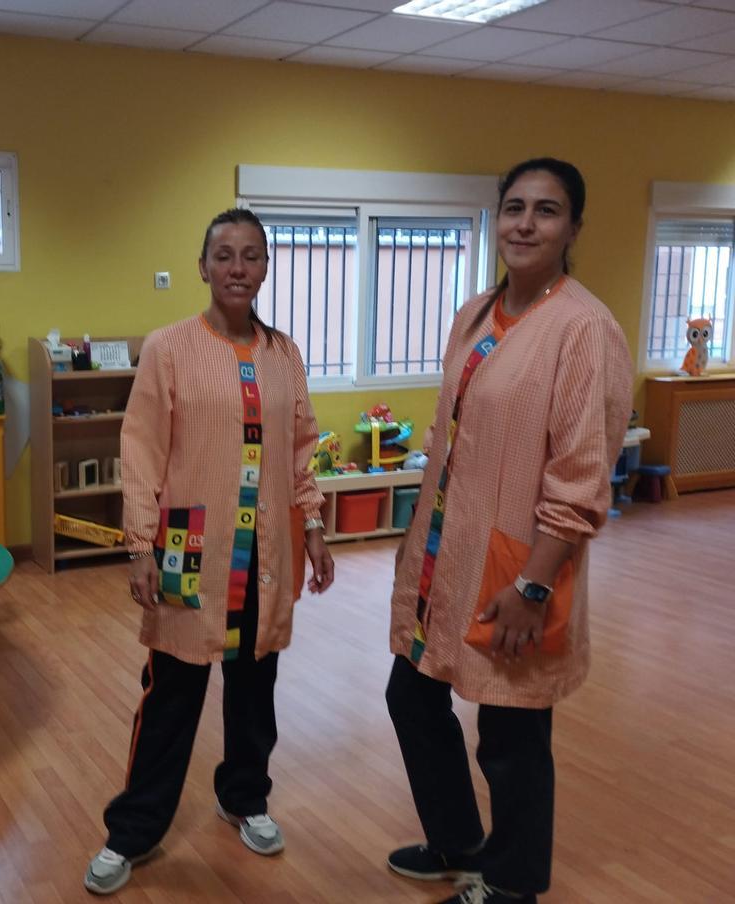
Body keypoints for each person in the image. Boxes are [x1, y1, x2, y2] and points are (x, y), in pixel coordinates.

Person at [384, 158, 634, 904]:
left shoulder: (583, 329)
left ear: (573, 229)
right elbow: (451, 435)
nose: (526, 223)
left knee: (513, 733)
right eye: (514, 207)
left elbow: (581, 477)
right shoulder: (476, 311)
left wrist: (533, 583)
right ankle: (461, 844)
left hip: (518, 568)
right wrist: (413, 533)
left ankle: (515, 881)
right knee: (413, 693)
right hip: (445, 554)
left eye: (547, 210)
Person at [83, 208, 335, 895]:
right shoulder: (169, 347)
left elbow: (301, 447)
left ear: (265, 267)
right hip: (189, 542)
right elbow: (141, 451)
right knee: (172, 693)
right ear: (202, 266)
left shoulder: (284, 354)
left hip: (266, 549)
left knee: (256, 687)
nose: (237, 269)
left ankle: (245, 797)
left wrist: (313, 526)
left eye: (251, 256)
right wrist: (140, 543)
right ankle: (132, 831)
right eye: (223, 255)